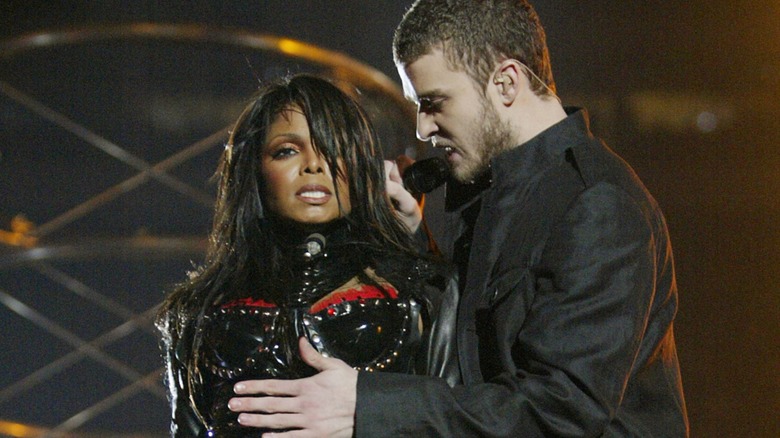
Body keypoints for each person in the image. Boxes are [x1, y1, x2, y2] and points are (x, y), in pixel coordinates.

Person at [227, 1, 690, 436]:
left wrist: (368, 406)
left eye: (434, 103)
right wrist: (412, 243)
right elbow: (472, 360)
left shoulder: (596, 204)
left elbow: (560, 410)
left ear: (506, 83)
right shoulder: (490, 186)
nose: (422, 130)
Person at [156, 73, 445, 437]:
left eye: (334, 148)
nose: (314, 165)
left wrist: (417, 245)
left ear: (362, 167)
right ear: (255, 170)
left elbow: (454, 415)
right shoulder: (195, 312)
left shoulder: (420, 293)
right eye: (287, 151)